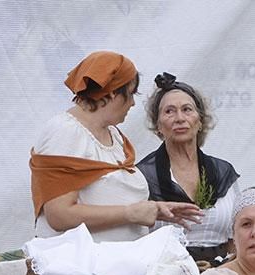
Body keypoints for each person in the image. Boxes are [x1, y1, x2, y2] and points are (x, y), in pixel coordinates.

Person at [30, 51, 201, 241]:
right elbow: (59, 215)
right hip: (80, 258)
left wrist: (153, 209)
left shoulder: (114, 135)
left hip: (117, 257)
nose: (133, 103)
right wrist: (129, 213)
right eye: (131, 93)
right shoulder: (65, 132)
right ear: (113, 93)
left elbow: (109, 196)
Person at [137, 72, 241, 267]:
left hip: (219, 273)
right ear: (158, 125)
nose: (179, 118)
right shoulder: (141, 177)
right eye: (169, 111)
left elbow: (236, 239)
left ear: (200, 121)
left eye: (187, 109)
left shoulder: (223, 172)